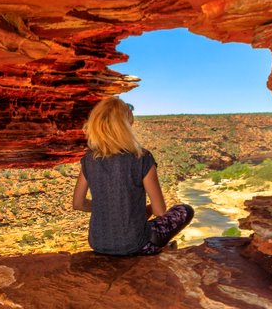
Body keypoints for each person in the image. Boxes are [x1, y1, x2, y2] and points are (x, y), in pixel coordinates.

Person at [71, 96, 194, 256]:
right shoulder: (141, 157)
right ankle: (159, 247)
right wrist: (141, 210)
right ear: (126, 126)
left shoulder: (88, 159)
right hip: (136, 245)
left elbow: (78, 203)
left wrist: (110, 208)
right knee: (184, 210)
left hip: (98, 244)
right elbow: (159, 211)